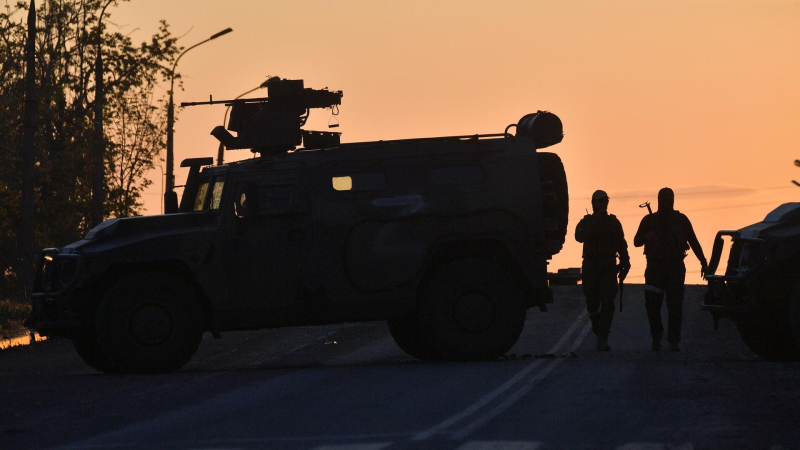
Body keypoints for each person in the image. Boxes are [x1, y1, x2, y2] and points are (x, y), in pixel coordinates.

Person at [634, 187, 708, 352]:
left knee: (675, 306)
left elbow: (693, 241)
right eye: (664, 201)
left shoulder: (681, 220)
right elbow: (636, 241)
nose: (666, 204)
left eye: (669, 201)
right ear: (658, 201)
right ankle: (657, 337)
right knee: (653, 306)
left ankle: (673, 340)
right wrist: (647, 236)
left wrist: (703, 262)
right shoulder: (649, 220)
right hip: (655, 269)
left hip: (675, 268)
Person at [575, 190, 631, 351]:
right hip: (591, 268)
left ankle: (603, 337)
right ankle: (597, 327)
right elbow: (579, 237)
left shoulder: (613, 222)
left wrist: (626, 263)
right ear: (594, 203)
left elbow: (622, 244)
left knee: (608, 304)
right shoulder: (586, 221)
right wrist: (595, 222)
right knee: (592, 303)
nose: (603, 204)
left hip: (608, 268)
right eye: (600, 201)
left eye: (605, 201)